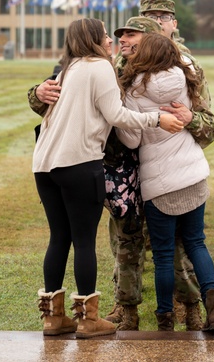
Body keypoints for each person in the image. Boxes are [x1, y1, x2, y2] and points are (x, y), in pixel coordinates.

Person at [32, 18, 183, 338]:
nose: (110, 40)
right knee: (84, 240)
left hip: (44, 165)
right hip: (78, 163)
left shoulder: (68, 68)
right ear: (93, 40)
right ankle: (88, 319)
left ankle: (53, 318)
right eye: (104, 36)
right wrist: (158, 118)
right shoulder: (100, 67)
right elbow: (116, 116)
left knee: (59, 238)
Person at [116, 33, 214, 333]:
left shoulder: (134, 91)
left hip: (159, 183)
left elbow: (132, 137)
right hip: (193, 175)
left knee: (163, 254)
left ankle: (165, 317)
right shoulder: (185, 79)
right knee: (196, 243)